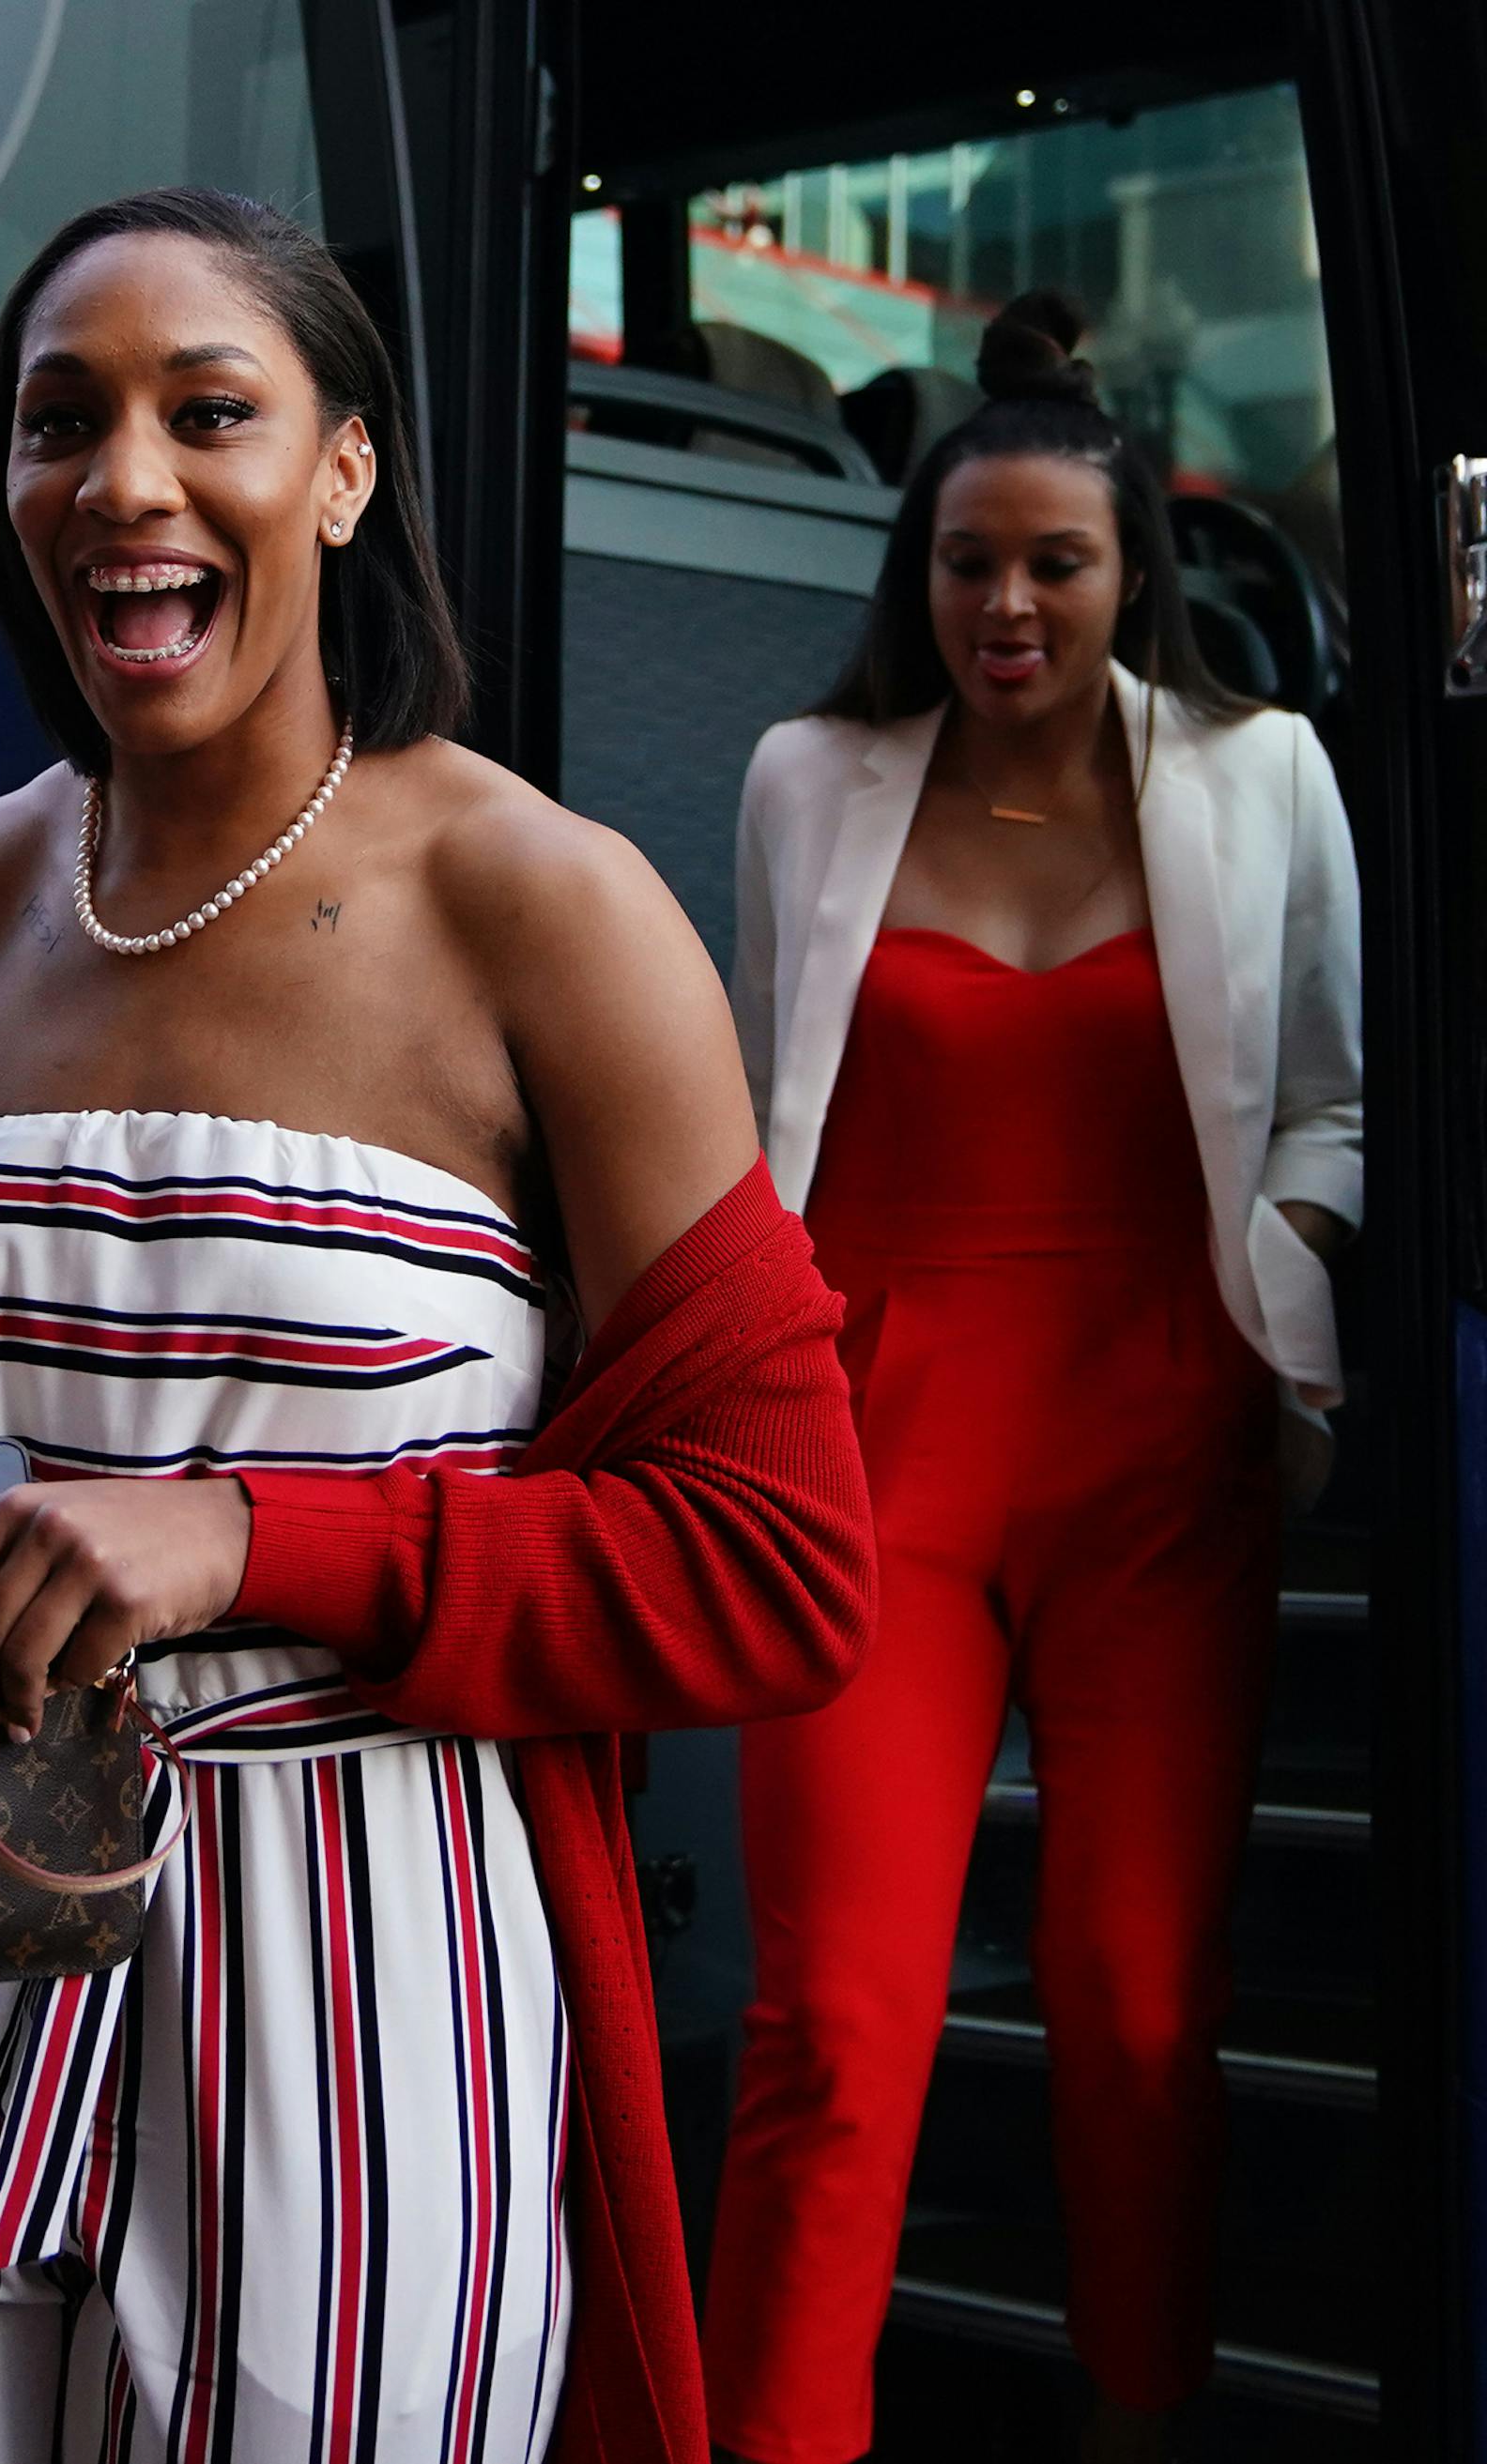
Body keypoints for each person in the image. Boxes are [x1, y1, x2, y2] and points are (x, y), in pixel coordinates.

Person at [0, 189, 877, 2464]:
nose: (119, 480)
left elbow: (781, 1562)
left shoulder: (554, 911)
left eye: (208, 409)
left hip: (363, 1998)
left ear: (343, 471)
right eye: (57, 422)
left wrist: (244, 1530)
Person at [701, 292, 1360, 2464]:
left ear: (1130, 579)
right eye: (966, 562)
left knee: (1145, 2009)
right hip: (872, 1451)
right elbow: (757, 1095)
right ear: (921, 580)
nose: (1004, 602)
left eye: (1051, 563)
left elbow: (1332, 1105)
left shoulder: (1266, 777)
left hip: (1161, 1448)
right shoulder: (809, 779)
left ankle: (1141, 2416)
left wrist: (1289, 1272)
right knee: (838, 2012)